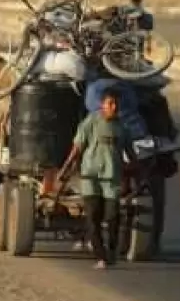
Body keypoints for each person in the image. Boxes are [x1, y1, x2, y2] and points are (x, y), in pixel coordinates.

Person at [57, 88, 136, 270]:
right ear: (102, 105)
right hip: (90, 177)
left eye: (116, 104)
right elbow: (77, 147)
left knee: (113, 217)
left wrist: (135, 170)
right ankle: (100, 256)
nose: (114, 107)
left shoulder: (122, 127)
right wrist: (65, 168)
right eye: (110, 104)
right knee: (93, 217)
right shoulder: (91, 122)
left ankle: (112, 251)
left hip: (112, 178)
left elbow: (130, 153)